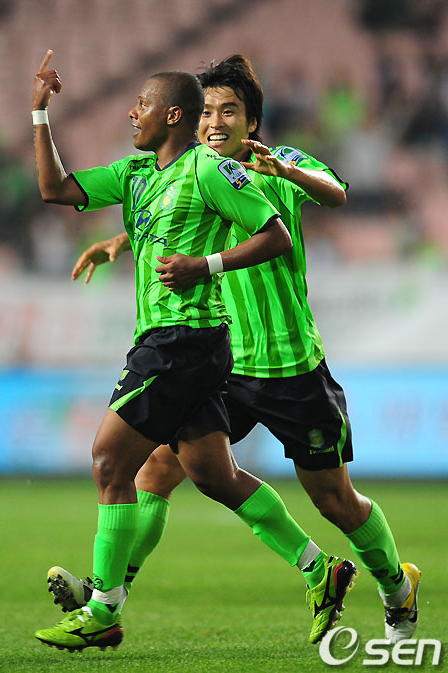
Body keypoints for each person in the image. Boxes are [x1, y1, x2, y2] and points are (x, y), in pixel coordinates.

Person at [52, 55, 420, 645]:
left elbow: (336, 194)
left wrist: (287, 171)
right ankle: (108, 596)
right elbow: (171, 218)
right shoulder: (193, 173)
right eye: (208, 112)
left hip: (291, 366)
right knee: (157, 470)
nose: (215, 122)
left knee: (335, 501)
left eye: (230, 111)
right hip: (224, 365)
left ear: (252, 122)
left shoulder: (276, 163)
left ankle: (396, 591)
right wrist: (120, 240)